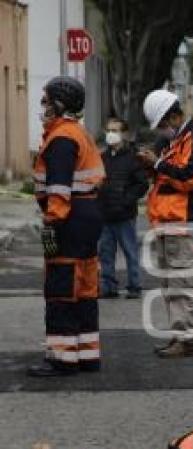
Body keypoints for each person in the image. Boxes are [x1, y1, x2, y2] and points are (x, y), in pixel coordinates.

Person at [28, 76, 105, 377]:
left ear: (59, 104)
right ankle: (87, 356)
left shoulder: (61, 138)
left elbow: (58, 189)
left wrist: (52, 221)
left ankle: (61, 359)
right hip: (87, 215)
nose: (43, 107)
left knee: (61, 287)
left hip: (68, 219)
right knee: (84, 288)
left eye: (46, 101)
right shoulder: (78, 133)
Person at [138, 90, 193, 358]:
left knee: (182, 283)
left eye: (164, 125)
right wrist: (151, 166)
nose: (162, 131)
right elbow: (166, 176)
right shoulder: (173, 141)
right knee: (170, 284)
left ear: (174, 116)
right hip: (166, 223)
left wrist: (157, 163)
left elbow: (189, 178)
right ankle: (181, 334)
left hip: (183, 223)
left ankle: (187, 339)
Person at [98, 117, 148, 299]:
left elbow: (142, 184)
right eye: (108, 130)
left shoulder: (133, 158)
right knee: (105, 253)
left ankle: (134, 286)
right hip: (105, 215)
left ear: (124, 134)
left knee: (130, 252)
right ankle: (108, 286)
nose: (111, 134)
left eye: (115, 130)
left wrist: (127, 200)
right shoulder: (101, 158)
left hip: (125, 215)